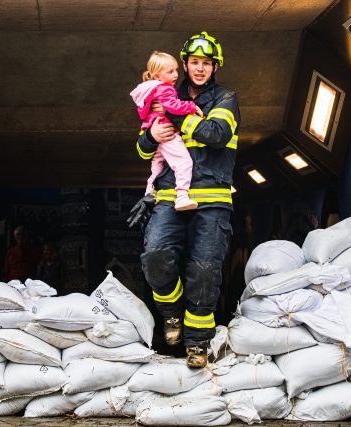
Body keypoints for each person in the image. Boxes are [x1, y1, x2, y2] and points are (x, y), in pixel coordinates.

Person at [128, 31, 240, 368]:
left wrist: (176, 117)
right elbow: (142, 148)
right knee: (156, 255)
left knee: (204, 270)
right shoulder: (166, 94)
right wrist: (151, 135)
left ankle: (197, 344)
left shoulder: (225, 98)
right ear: (185, 64)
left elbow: (217, 135)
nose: (200, 68)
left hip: (213, 199)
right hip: (169, 197)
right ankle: (172, 315)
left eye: (207, 63)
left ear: (215, 66)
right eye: (194, 62)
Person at [130, 51, 204, 211]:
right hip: (167, 132)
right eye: (170, 71)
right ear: (157, 76)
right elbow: (174, 107)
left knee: (157, 165)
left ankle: (149, 191)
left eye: (176, 69)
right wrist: (192, 107)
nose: (176, 74)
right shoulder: (165, 89)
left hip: (155, 130)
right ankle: (182, 197)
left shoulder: (149, 90)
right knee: (184, 162)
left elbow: (144, 114)